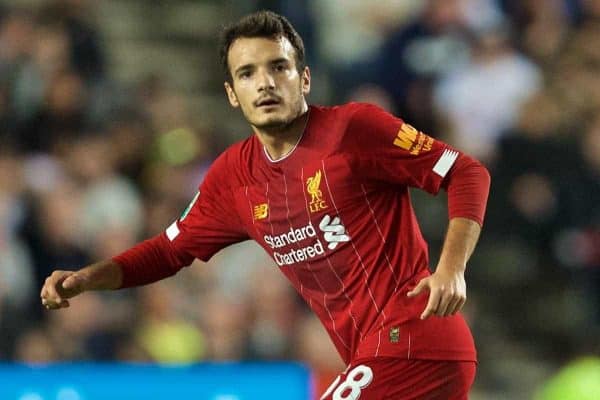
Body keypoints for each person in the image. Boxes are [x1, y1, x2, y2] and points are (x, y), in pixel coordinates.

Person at [41, 10, 490, 399]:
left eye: (279, 67)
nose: (266, 83)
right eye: (247, 73)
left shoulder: (354, 130)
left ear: (305, 78)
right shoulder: (234, 177)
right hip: (379, 355)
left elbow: (467, 172)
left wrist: (451, 268)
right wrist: (87, 279)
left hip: (414, 337)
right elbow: (168, 251)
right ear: (232, 94)